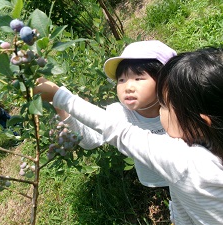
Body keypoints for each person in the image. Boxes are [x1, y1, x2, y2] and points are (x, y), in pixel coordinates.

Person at [35, 47, 223, 224]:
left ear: (198, 124)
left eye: (165, 105)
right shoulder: (209, 141)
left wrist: (60, 95)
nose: (128, 87)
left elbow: (118, 131)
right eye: (121, 80)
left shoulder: (187, 163)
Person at [51, 40, 177, 188]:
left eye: (138, 78)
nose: (128, 87)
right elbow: (89, 141)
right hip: (156, 180)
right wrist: (61, 107)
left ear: (165, 80)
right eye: (122, 80)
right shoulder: (120, 113)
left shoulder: (180, 105)